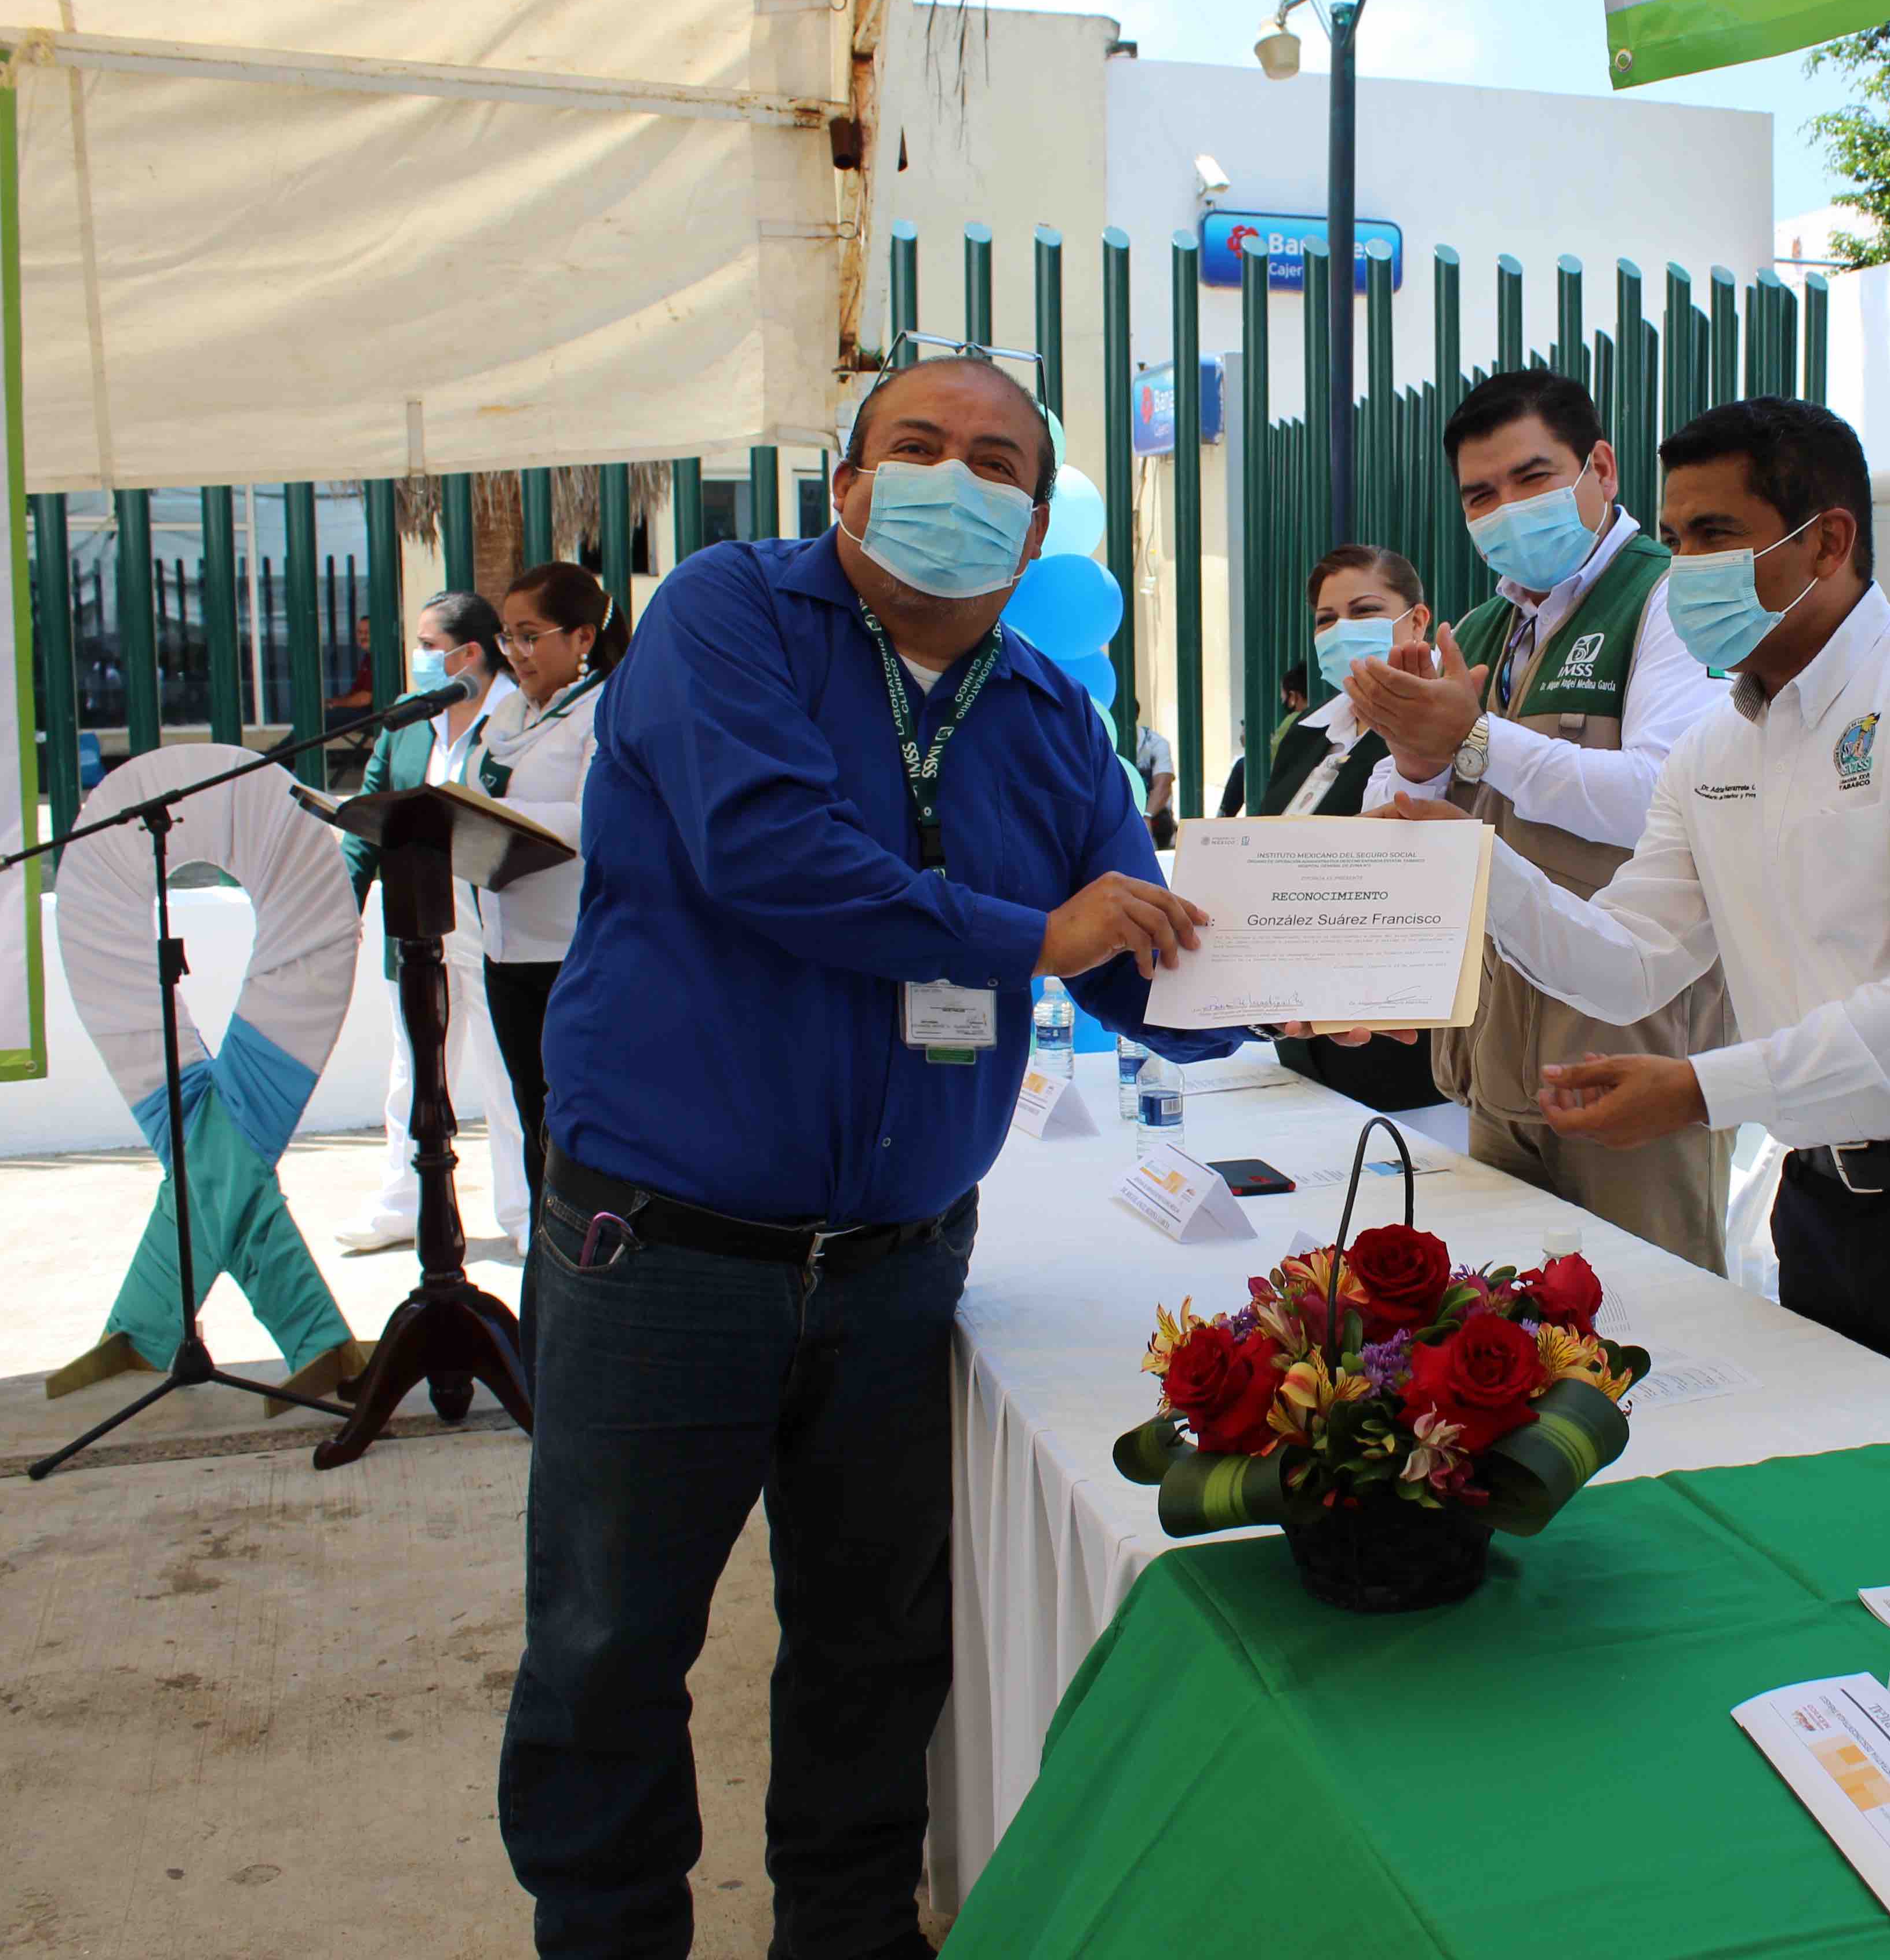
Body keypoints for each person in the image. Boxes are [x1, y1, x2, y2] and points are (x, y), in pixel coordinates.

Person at [497, 353, 1242, 1958]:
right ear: (845, 484)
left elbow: (1132, 956)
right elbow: (771, 854)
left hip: (901, 1270)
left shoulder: (1050, 714)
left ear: (1034, 528)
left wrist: (1317, 985)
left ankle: (845, 1934)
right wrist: (1028, 935)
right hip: (666, 1247)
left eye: (996, 464)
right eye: (918, 446)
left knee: (872, 1645)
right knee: (610, 1644)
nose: (955, 481)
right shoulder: (727, 615)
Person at [1383, 395, 1890, 1401]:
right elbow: (1628, 961)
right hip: (1821, 1198)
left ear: (1827, 542)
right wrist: (1477, 869)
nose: (1685, 567)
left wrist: (1699, 1090)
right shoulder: (1716, 750)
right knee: (1823, 1484)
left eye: (1716, 535)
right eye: (1678, 534)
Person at [1347, 368, 1736, 1270]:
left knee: (1651, 1320)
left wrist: (1474, 740)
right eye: (1481, 495)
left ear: (1600, 468)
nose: (1508, 510)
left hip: (1631, 1064)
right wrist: (1415, 759)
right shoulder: (1482, 631)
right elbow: (1413, 821)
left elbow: (1661, 797)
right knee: (1507, 1328)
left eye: (1532, 478)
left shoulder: (1668, 600)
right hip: (1495, 1063)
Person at [333, 591, 531, 1255]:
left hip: (498, 926)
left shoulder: (520, 715)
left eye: (427, 646)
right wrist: (343, 902)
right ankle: (404, 1205)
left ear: (467, 653)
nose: (417, 658)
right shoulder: (407, 721)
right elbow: (369, 814)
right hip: (419, 925)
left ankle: (524, 1212)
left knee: (506, 1075)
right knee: (413, 1074)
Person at [1255, 546, 1445, 1113]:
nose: (1342, 630)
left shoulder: (1445, 727)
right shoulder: (1307, 735)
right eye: (1326, 619)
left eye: (1364, 612)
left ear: (1417, 621)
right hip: (1300, 1040)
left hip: (1400, 1049)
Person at [465, 561, 624, 1218]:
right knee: (531, 1115)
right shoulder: (507, 713)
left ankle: (585, 1249)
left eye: (530, 636)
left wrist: (492, 818)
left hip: (572, 951)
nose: (515, 652)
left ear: (582, 637)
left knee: (579, 1125)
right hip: (505, 949)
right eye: (507, 637)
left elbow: (596, 817)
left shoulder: (606, 708)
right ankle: (543, 1249)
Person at [1217, 663, 1309, 819]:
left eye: (1283, 696)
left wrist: (1253, 743)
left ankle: (1222, 818)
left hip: (1288, 786)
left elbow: (1272, 757)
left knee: (1243, 765)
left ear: (1293, 697)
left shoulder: (1294, 719)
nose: (1282, 700)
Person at [1131, 710, 1176, 848]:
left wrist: (1146, 817)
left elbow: (1163, 787)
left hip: (1154, 815)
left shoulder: (1155, 743)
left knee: (1161, 821)